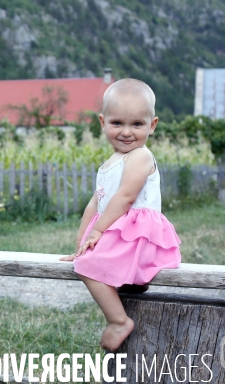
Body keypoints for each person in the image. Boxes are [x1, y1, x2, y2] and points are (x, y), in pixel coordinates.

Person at [60, 78, 181, 352]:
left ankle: (118, 321)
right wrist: (82, 243)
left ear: (152, 125)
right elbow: (95, 204)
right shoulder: (110, 161)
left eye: (137, 124)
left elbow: (125, 198)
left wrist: (99, 231)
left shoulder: (140, 156)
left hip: (137, 235)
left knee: (89, 267)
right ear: (103, 122)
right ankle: (114, 310)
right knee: (85, 261)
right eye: (117, 123)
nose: (127, 132)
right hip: (117, 229)